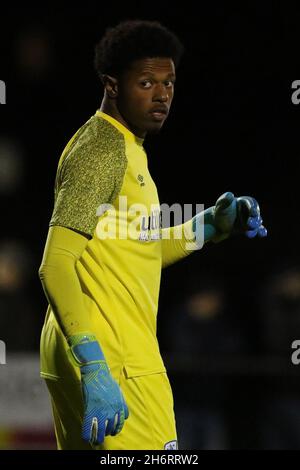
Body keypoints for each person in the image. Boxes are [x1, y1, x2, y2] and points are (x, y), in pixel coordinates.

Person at [38, 19, 267, 450]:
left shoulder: (118, 145)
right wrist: (95, 368)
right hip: (115, 355)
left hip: (87, 348)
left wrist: (210, 226)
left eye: (169, 83)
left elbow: (132, 251)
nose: (161, 95)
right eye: (146, 82)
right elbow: (55, 265)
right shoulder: (103, 151)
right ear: (111, 85)